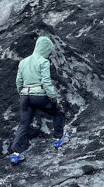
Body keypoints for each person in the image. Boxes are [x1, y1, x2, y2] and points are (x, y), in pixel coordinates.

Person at [9, 36, 68, 164]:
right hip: (39, 96)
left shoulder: (23, 62)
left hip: (25, 96)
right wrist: (53, 96)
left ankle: (16, 153)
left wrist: (22, 94)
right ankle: (59, 138)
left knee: (24, 124)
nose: (49, 53)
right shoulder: (43, 62)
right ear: (45, 48)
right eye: (48, 50)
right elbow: (46, 81)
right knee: (58, 112)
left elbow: (18, 81)